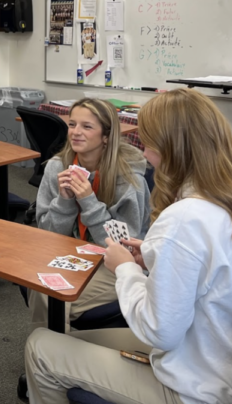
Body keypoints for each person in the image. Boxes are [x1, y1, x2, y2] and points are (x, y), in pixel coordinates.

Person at [25, 88, 232, 404]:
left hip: (197, 386)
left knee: (40, 346)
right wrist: (151, 257)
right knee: (70, 338)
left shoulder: (183, 217)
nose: (145, 155)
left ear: (172, 149)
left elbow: (158, 331)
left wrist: (125, 268)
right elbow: (209, 273)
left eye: (148, 145)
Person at [30, 98, 149, 330]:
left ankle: (50, 355)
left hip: (114, 262)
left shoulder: (128, 176)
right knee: (43, 288)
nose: (75, 132)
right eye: (72, 124)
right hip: (69, 255)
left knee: (55, 297)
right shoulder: (57, 167)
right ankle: (51, 354)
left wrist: (88, 201)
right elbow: (47, 236)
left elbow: (124, 246)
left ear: (106, 136)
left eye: (87, 127)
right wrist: (64, 202)